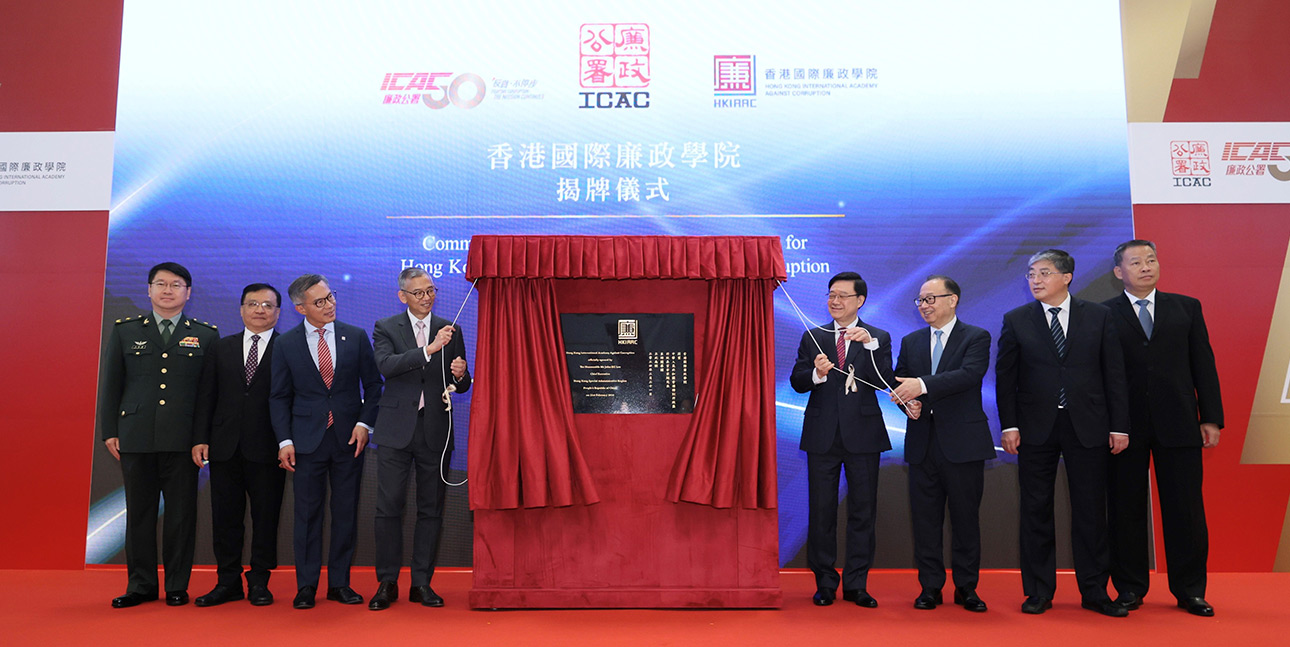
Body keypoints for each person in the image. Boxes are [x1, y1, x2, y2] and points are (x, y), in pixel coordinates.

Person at [996, 249, 1130, 617]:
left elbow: (1114, 374)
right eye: (1031, 274)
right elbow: (1006, 379)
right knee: (1036, 509)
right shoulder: (1017, 319)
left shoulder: (1099, 316)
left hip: (1088, 425)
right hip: (1035, 427)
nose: (1035, 280)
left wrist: (1119, 426)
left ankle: (1095, 591)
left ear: (1067, 277)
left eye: (1044, 273)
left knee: (1090, 511)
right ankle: (1039, 591)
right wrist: (1010, 425)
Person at [1103, 240, 1222, 617]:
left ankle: (1190, 590)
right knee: (1126, 510)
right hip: (1124, 427)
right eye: (1135, 262)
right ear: (1119, 271)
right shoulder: (1103, 314)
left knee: (1185, 510)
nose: (1146, 267)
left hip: (1180, 423)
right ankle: (1130, 589)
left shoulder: (1186, 307)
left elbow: (1204, 364)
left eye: (1151, 260)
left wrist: (1211, 417)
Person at [98, 262, 219, 608]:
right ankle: (141, 585)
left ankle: (177, 584)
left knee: (181, 515)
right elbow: (111, 386)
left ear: (188, 293)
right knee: (139, 513)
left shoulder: (206, 335)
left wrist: (202, 437)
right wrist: (110, 430)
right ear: (148, 290)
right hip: (135, 436)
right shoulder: (125, 330)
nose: (168, 290)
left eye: (176, 285)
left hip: (184, 440)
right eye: (161, 284)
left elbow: (208, 394)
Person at [269, 274, 383, 609]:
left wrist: (365, 424)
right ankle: (306, 586)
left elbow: (374, 388)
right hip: (305, 442)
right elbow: (278, 397)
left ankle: (339, 584)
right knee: (306, 515)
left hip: (349, 439)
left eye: (330, 297)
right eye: (320, 301)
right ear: (300, 307)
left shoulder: (356, 336)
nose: (329, 305)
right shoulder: (286, 343)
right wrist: (284, 441)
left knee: (345, 513)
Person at [790, 271, 897, 608]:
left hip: (863, 436)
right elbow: (797, 381)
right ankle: (824, 582)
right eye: (831, 295)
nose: (834, 301)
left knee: (862, 512)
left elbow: (883, 382)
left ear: (860, 301)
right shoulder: (814, 336)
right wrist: (817, 374)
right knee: (821, 512)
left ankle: (856, 583)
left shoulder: (877, 336)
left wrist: (871, 345)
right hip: (822, 435)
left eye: (842, 296)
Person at [368, 268, 471, 610]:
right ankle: (386, 582)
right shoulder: (386, 327)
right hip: (396, 430)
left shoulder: (450, 327)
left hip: (435, 430)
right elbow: (387, 365)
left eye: (430, 291)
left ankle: (421, 583)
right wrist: (430, 348)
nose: (426, 298)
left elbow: (462, 380)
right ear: (403, 296)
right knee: (388, 508)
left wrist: (461, 375)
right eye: (418, 293)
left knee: (431, 510)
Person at [891, 275, 995, 612]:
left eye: (931, 299)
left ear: (953, 300)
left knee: (965, 520)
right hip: (923, 443)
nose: (925, 306)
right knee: (925, 520)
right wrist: (908, 403)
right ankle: (930, 587)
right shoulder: (911, 341)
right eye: (921, 300)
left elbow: (969, 375)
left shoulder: (976, 337)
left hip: (963, 443)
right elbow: (901, 382)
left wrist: (921, 386)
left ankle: (967, 587)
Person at [190, 283, 286, 607]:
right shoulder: (221, 347)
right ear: (241, 309)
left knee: (265, 518)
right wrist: (200, 438)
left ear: (278, 312)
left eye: (267, 305)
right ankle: (227, 582)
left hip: (270, 448)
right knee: (225, 519)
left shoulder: (288, 349)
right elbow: (206, 395)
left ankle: (260, 582)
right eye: (253, 303)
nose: (260, 310)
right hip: (224, 447)